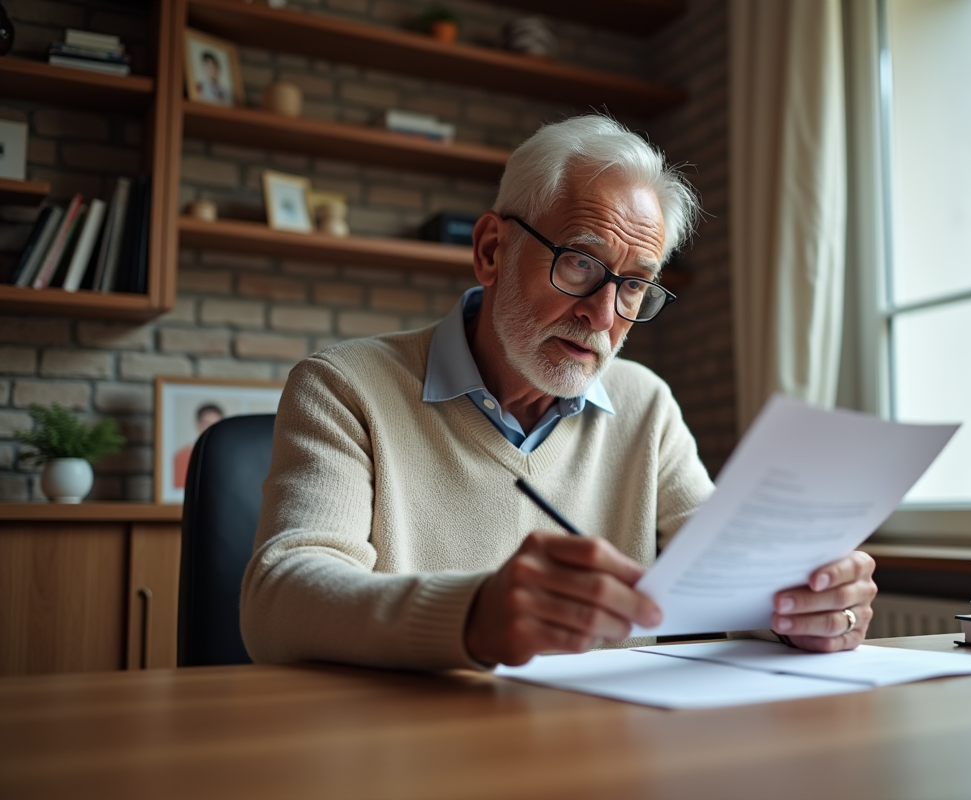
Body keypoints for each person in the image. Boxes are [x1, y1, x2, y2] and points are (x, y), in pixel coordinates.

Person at [241, 115, 877, 671]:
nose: (604, 316)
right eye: (579, 261)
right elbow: (280, 599)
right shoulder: (344, 386)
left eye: (634, 285)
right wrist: (473, 615)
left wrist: (807, 608)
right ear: (492, 250)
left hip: (605, 752)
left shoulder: (645, 405)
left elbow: (735, 576)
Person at [173, 403, 224, 489]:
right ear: (199, 425)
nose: (212, 428)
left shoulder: (228, 455)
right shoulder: (183, 456)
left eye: (217, 424)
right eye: (207, 423)